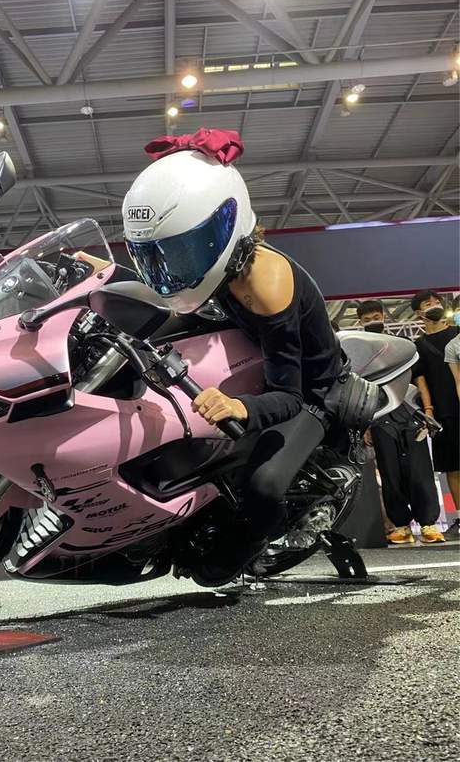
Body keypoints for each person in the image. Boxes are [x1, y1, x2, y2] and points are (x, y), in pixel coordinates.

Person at [123, 129, 347, 584]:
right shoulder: (223, 264)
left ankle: (248, 547)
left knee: (262, 486)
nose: (171, 267)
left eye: (181, 251)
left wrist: (238, 406)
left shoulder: (264, 286)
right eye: (159, 255)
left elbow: (290, 393)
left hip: (315, 391)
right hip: (258, 359)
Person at [356, 300, 443, 544]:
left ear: (384, 317)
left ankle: (428, 524)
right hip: (380, 417)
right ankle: (401, 525)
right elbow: (361, 392)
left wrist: (428, 409)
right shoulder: (360, 353)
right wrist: (365, 424)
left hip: (411, 413)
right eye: (367, 320)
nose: (373, 322)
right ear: (360, 323)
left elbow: (420, 379)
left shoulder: (403, 346)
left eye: (376, 317)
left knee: (420, 470)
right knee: (389, 472)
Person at [411, 290, 460, 542]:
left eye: (437, 302)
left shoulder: (457, 334)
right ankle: (459, 518)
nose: (434, 306)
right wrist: (429, 410)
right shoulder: (418, 345)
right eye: (427, 304)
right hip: (443, 412)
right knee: (452, 466)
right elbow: (420, 381)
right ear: (418, 313)